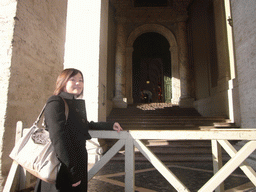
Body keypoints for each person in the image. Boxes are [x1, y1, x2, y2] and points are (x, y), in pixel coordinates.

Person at [34, 68, 123, 192]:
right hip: (62, 165)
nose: (78, 83)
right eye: (73, 79)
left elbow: (84, 125)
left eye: (81, 80)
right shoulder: (56, 102)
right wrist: (72, 171)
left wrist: (109, 126)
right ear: (63, 81)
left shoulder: (73, 104)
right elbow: (58, 138)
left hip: (77, 162)